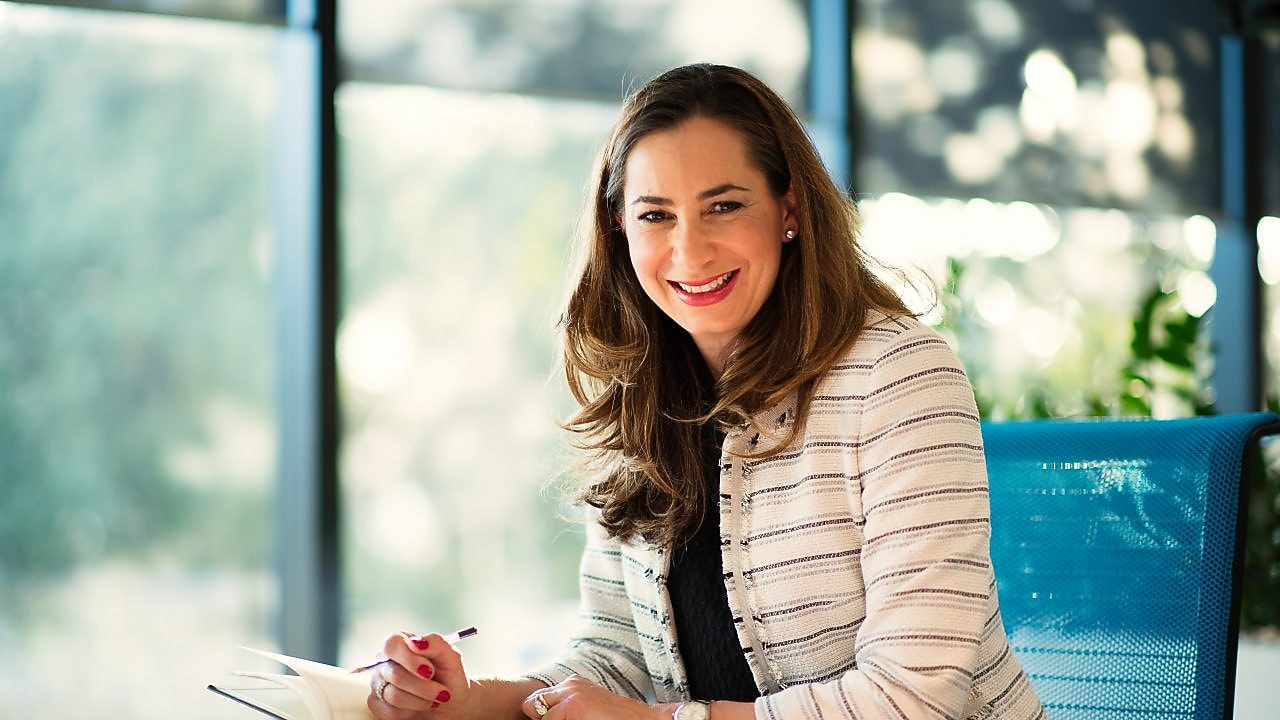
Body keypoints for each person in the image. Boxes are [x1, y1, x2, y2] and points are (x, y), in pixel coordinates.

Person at [364, 63, 1046, 720]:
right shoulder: (644, 397)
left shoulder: (898, 376)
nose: (690, 252)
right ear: (619, 229)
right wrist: (465, 699)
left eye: (723, 206)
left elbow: (913, 697)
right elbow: (615, 661)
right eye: (656, 215)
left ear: (789, 209)